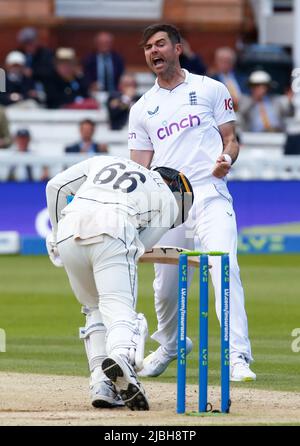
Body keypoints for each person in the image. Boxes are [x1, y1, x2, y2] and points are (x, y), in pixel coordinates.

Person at [128, 23, 256, 382]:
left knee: (224, 268)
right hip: (169, 202)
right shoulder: (142, 107)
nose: (154, 51)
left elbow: (231, 139)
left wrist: (227, 160)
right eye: (148, 47)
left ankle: (237, 357)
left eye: (160, 44)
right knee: (165, 287)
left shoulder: (210, 88)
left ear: (178, 48)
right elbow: (139, 167)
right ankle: (170, 344)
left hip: (210, 193)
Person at [46, 155, 193, 410]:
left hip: (70, 227)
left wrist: (59, 233)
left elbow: (55, 188)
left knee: (94, 308)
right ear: (177, 189)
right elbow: (140, 245)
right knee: (120, 309)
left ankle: (102, 385)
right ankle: (124, 357)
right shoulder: (168, 199)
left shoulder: (106, 160)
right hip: (114, 228)